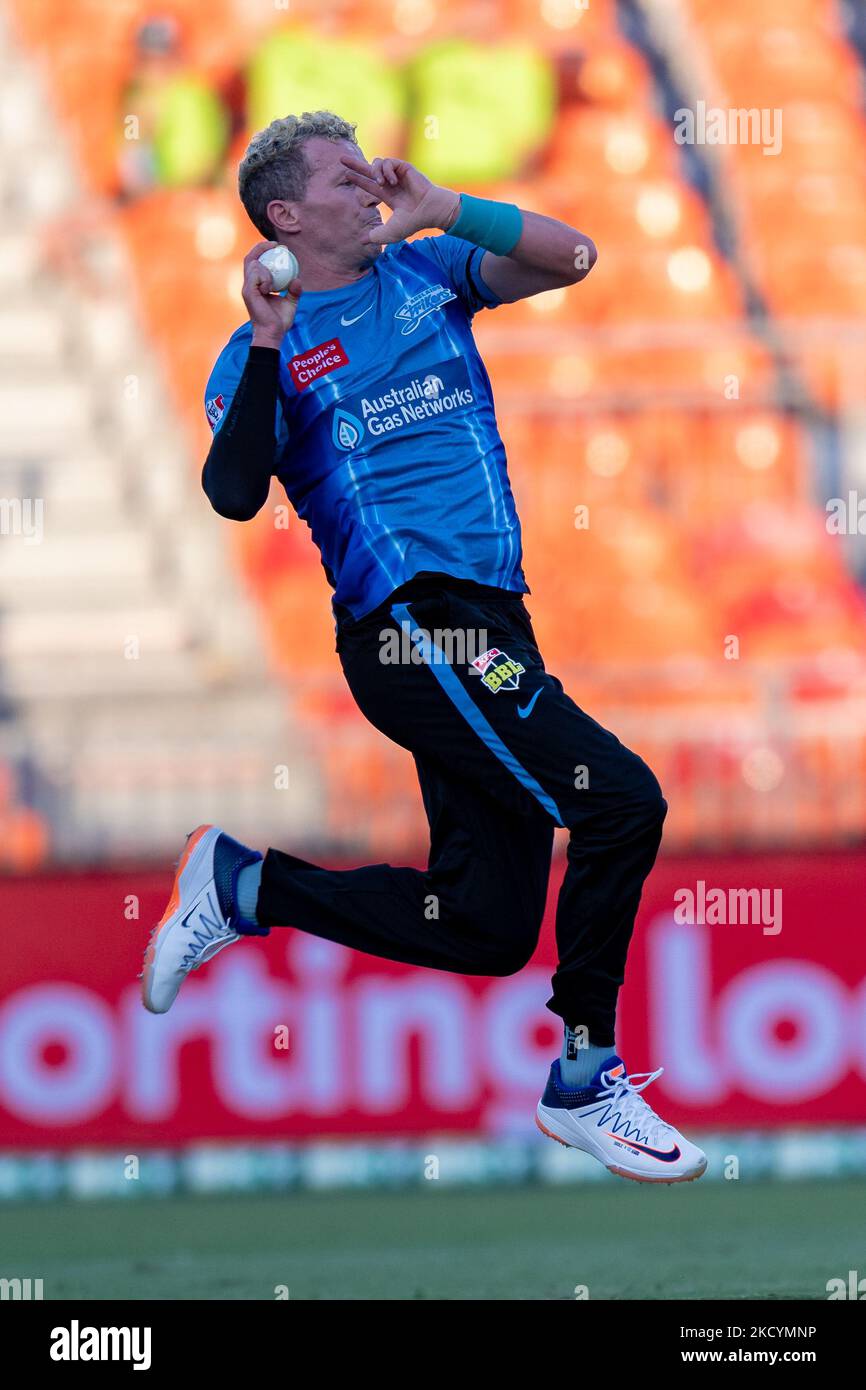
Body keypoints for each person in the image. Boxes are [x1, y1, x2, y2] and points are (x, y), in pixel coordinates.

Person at [141, 109, 706, 1184]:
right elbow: (230, 490)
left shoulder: (429, 270)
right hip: (412, 623)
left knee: (485, 924)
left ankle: (244, 886)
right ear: (284, 215)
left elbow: (575, 257)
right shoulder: (266, 341)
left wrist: (447, 205)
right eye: (344, 179)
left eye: (371, 173)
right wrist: (266, 338)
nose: (370, 187)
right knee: (618, 799)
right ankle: (586, 1072)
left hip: (489, 615)